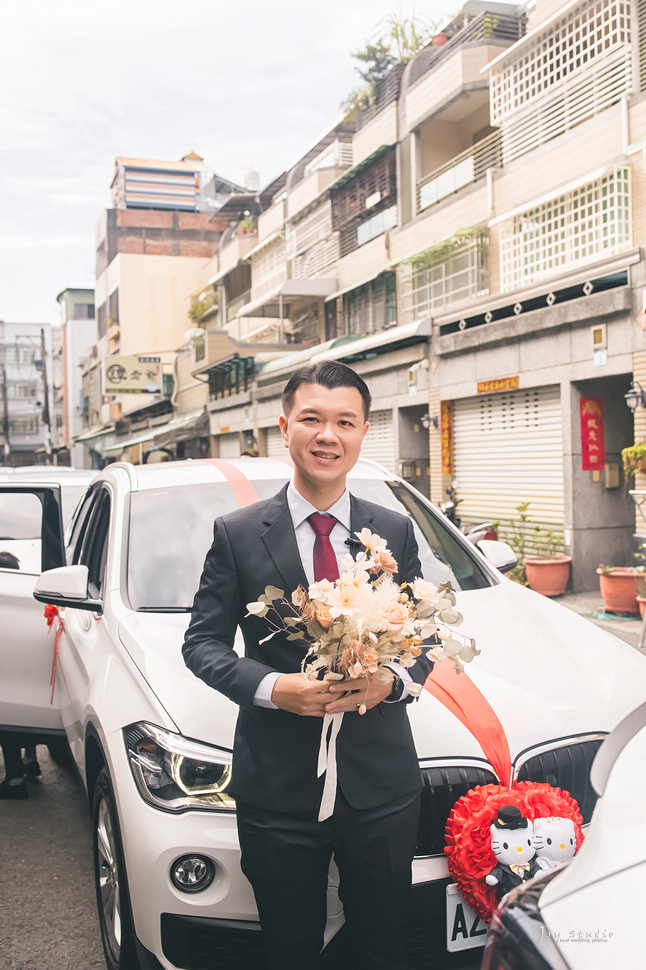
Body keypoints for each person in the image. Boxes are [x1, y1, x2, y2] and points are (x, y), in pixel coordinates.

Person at [182, 361, 434, 970]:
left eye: (344, 422)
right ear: (284, 427)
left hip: (381, 788)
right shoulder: (239, 533)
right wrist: (273, 688)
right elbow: (202, 643)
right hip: (279, 789)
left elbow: (424, 635)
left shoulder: (393, 531)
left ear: (363, 431)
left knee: (381, 945)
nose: (328, 435)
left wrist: (390, 681)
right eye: (312, 420)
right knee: (289, 946)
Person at [0, 551, 41, 799]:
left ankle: (14, 780)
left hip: (11, 686)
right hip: (37, 687)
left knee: (8, 722)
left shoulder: (7, 608)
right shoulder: (35, 601)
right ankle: (30, 762)